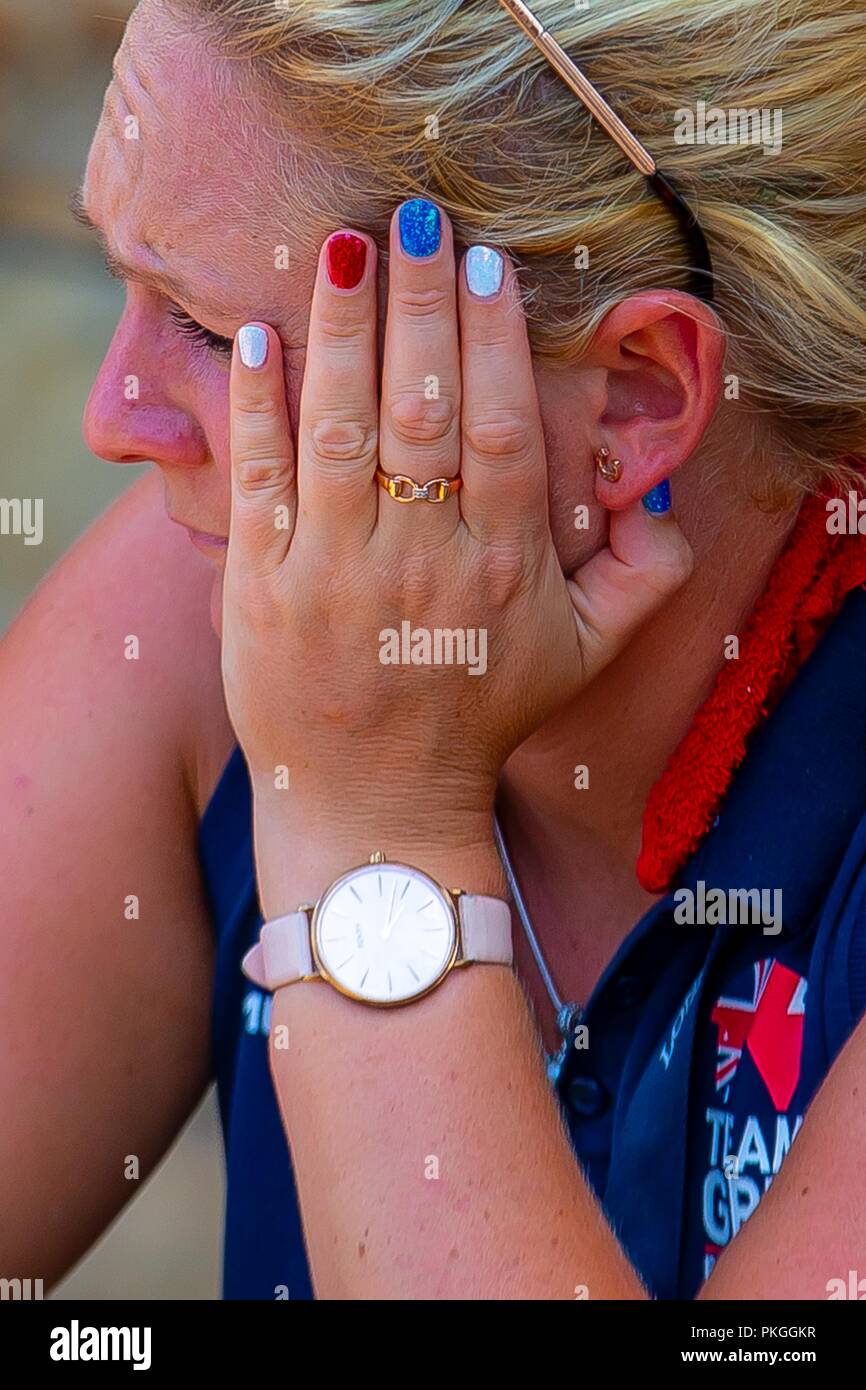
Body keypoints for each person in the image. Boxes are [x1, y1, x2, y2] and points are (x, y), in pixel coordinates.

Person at [3, 0, 866, 1300]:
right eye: (117, 277)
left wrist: (371, 827)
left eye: (195, 323)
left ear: (635, 389)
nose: (110, 414)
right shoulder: (213, 593)